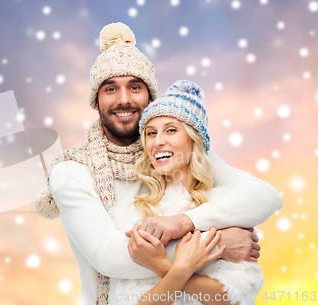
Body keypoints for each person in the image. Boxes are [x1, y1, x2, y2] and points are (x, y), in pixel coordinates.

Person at [35, 22, 282, 305]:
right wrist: (217, 243)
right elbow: (109, 256)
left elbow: (265, 197)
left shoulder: (175, 153)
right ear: (95, 101)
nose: (124, 99)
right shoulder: (72, 170)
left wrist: (184, 223)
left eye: (135, 87)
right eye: (111, 89)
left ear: (150, 96)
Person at [108, 80, 265, 305]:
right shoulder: (133, 213)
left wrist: (162, 266)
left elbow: (235, 298)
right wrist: (181, 268)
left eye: (171, 130)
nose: (158, 141)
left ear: (194, 140)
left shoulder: (226, 208)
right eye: (151, 133)